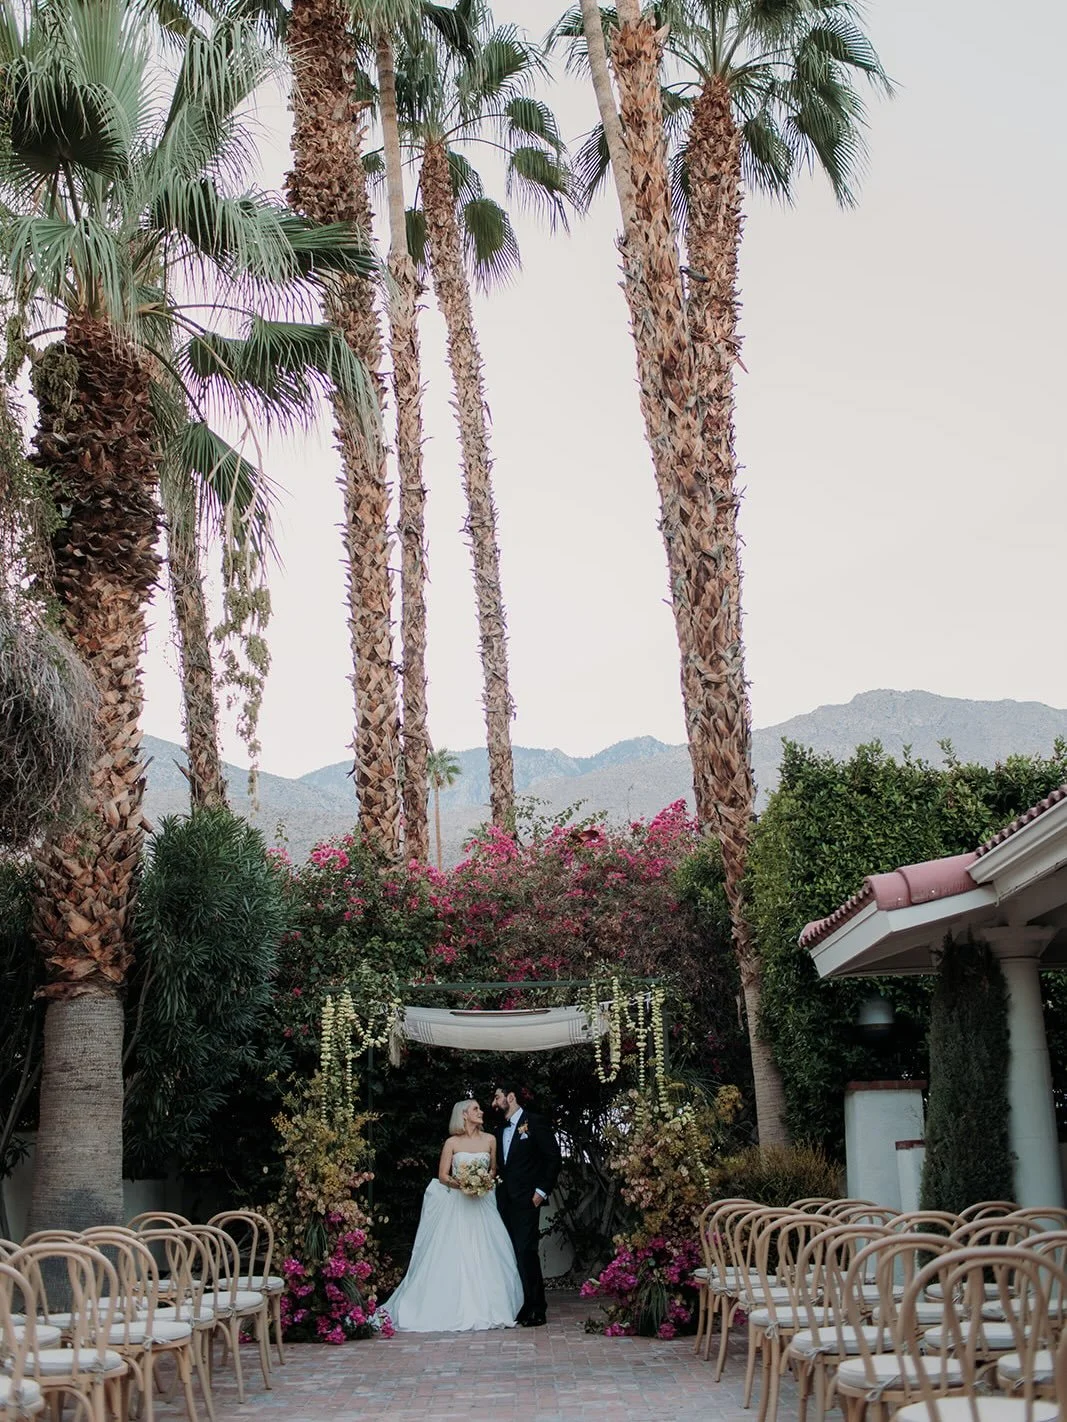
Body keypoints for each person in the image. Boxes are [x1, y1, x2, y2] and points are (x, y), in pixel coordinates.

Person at [383, 1099, 524, 1332]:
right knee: (454, 1253)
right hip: (458, 1205)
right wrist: (464, 1184)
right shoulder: (452, 1143)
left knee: (489, 1252)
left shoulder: (490, 1140)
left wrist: (483, 1182)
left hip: (482, 1205)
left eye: (480, 1109)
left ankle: (490, 1307)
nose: (481, 1112)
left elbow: (493, 1169)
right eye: (476, 1109)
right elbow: (443, 1176)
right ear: (464, 1115)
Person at [491, 1083, 562, 1327]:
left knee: (526, 1251)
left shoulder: (535, 1122)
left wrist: (540, 1193)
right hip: (504, 1202)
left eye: (498, 1097)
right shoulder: (499, 1129)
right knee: (510, 1254)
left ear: (511, 1097)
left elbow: (553, 1158)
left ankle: (537, 1308)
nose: (494, 1102)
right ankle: (520, 1305)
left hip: (527, 1200)